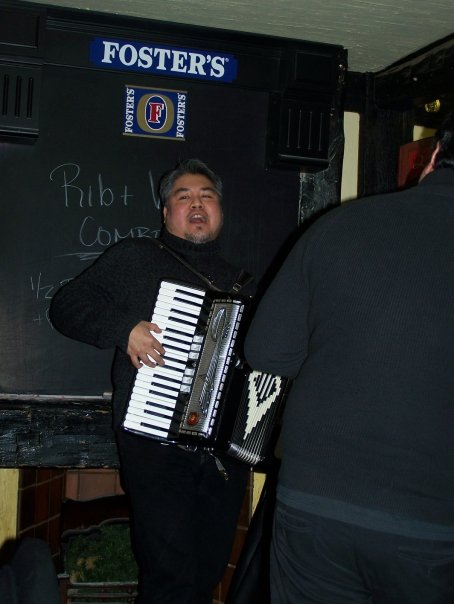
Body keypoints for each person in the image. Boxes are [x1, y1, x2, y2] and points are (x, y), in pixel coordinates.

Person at [243, 113, 454, 604]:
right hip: (432, 521)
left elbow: (267, 351)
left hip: (313, 501)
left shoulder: (337, 225)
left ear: (431, 159)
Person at [50, 158, 255, 604]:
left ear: (220, 209)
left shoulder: (243, 282)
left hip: (222, 457)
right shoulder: (135, 258)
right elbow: (65, 306)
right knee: (169, 577)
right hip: (156, 448)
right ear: (165, 212)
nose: (197, 203)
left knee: (206, 573)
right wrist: (124, 328)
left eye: (207, 196)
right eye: (184, 197)